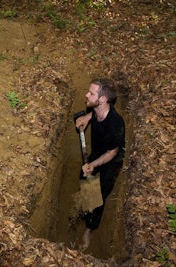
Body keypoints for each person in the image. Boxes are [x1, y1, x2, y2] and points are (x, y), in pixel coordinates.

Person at [74, 78, 125, 250]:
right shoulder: (98, 109)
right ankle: (84, 205)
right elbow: (96, 114)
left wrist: (93, 165)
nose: (86, 94)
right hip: (98, 153)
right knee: (84, 177)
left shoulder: (115, 124)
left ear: (102, 99)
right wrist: (87, 117)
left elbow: (112, 153)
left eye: (91, 93)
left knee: (99, 197)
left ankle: (89, 230)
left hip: (111, 160)